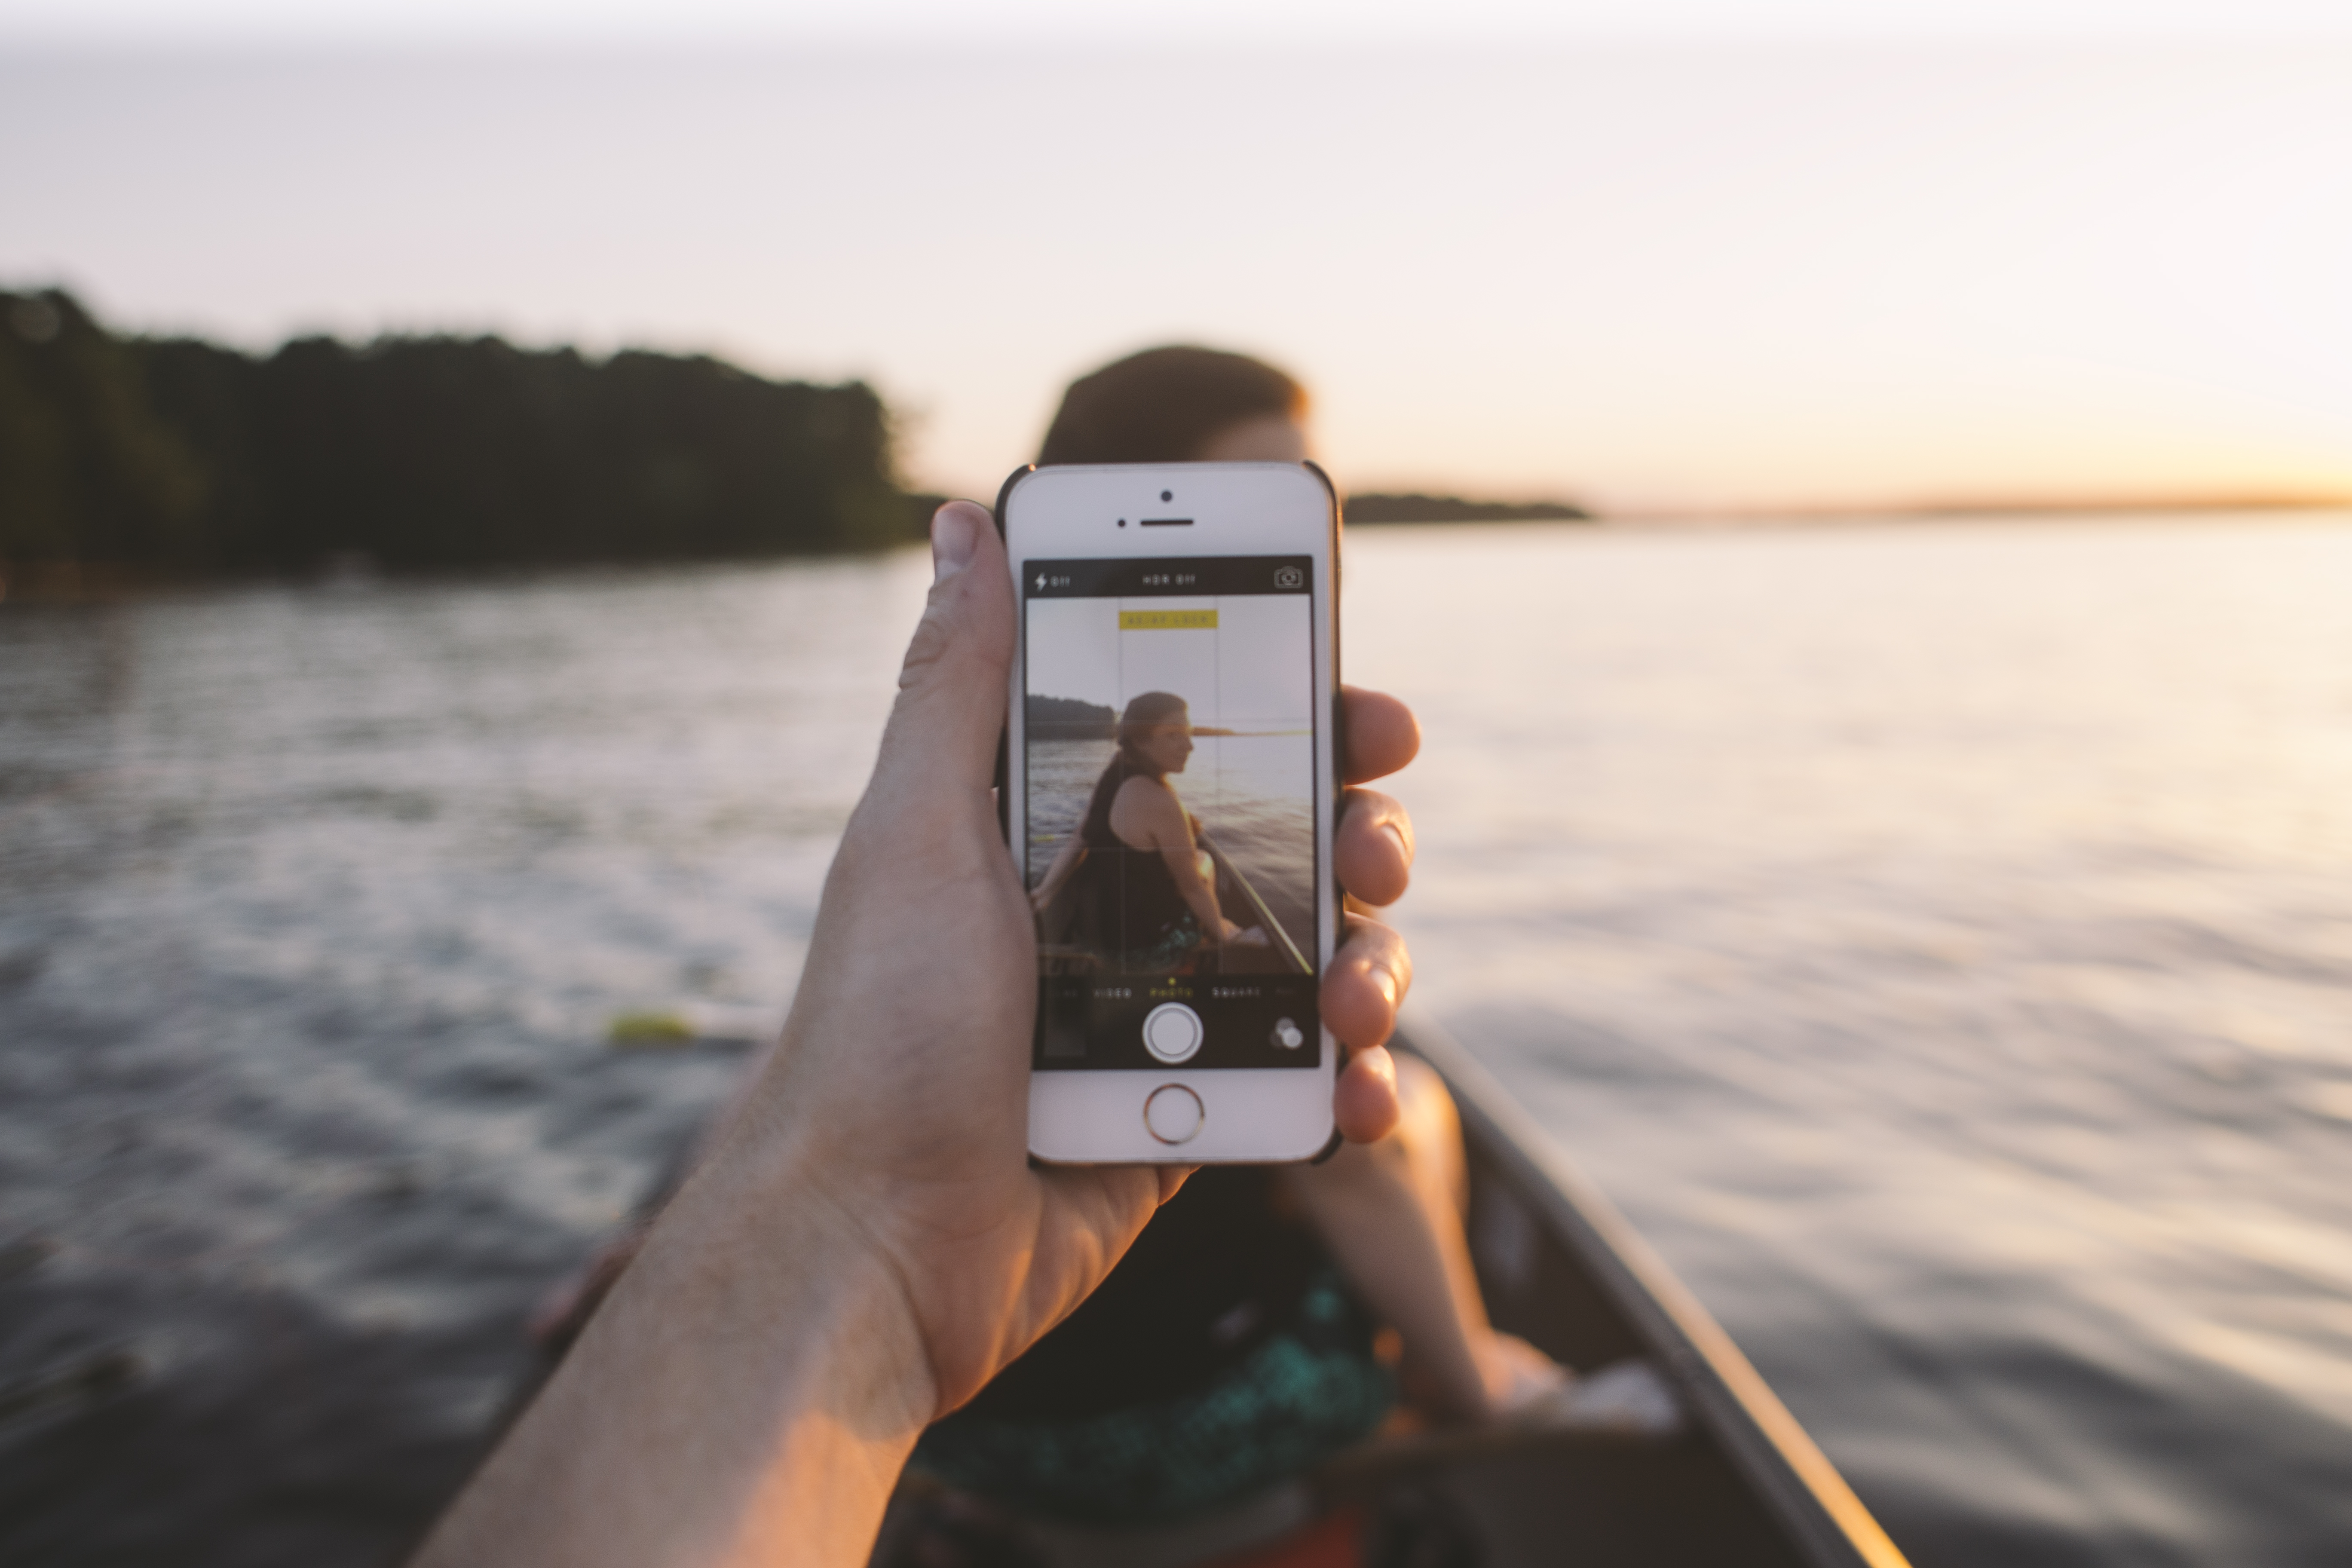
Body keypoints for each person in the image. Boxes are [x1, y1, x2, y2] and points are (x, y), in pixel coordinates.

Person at [414, 499, 1420, 1568]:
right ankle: (1478, 1376)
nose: (1188, 740)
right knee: (1408, 1119)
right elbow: (1200, 908)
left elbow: (1071, 871)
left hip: (971, 1431)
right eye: (1182, 730)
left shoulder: (1100, 789)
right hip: (1195, 1401)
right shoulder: (1168, 807)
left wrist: (1021, 927)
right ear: (1163, 736)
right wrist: (1231, 920)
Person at [1029, 690, 1266, 971]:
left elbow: (1079, 838)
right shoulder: (1160, 800)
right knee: (1205, 862)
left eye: (1188, 734)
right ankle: (1216, 932)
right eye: (1173, 735)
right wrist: (1231, 934)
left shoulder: (1115, 769)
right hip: (1142, 947)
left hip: (1095, 936)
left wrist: (1046, 890)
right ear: (1141, 741)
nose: (1189, 746)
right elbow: (1191, 887)